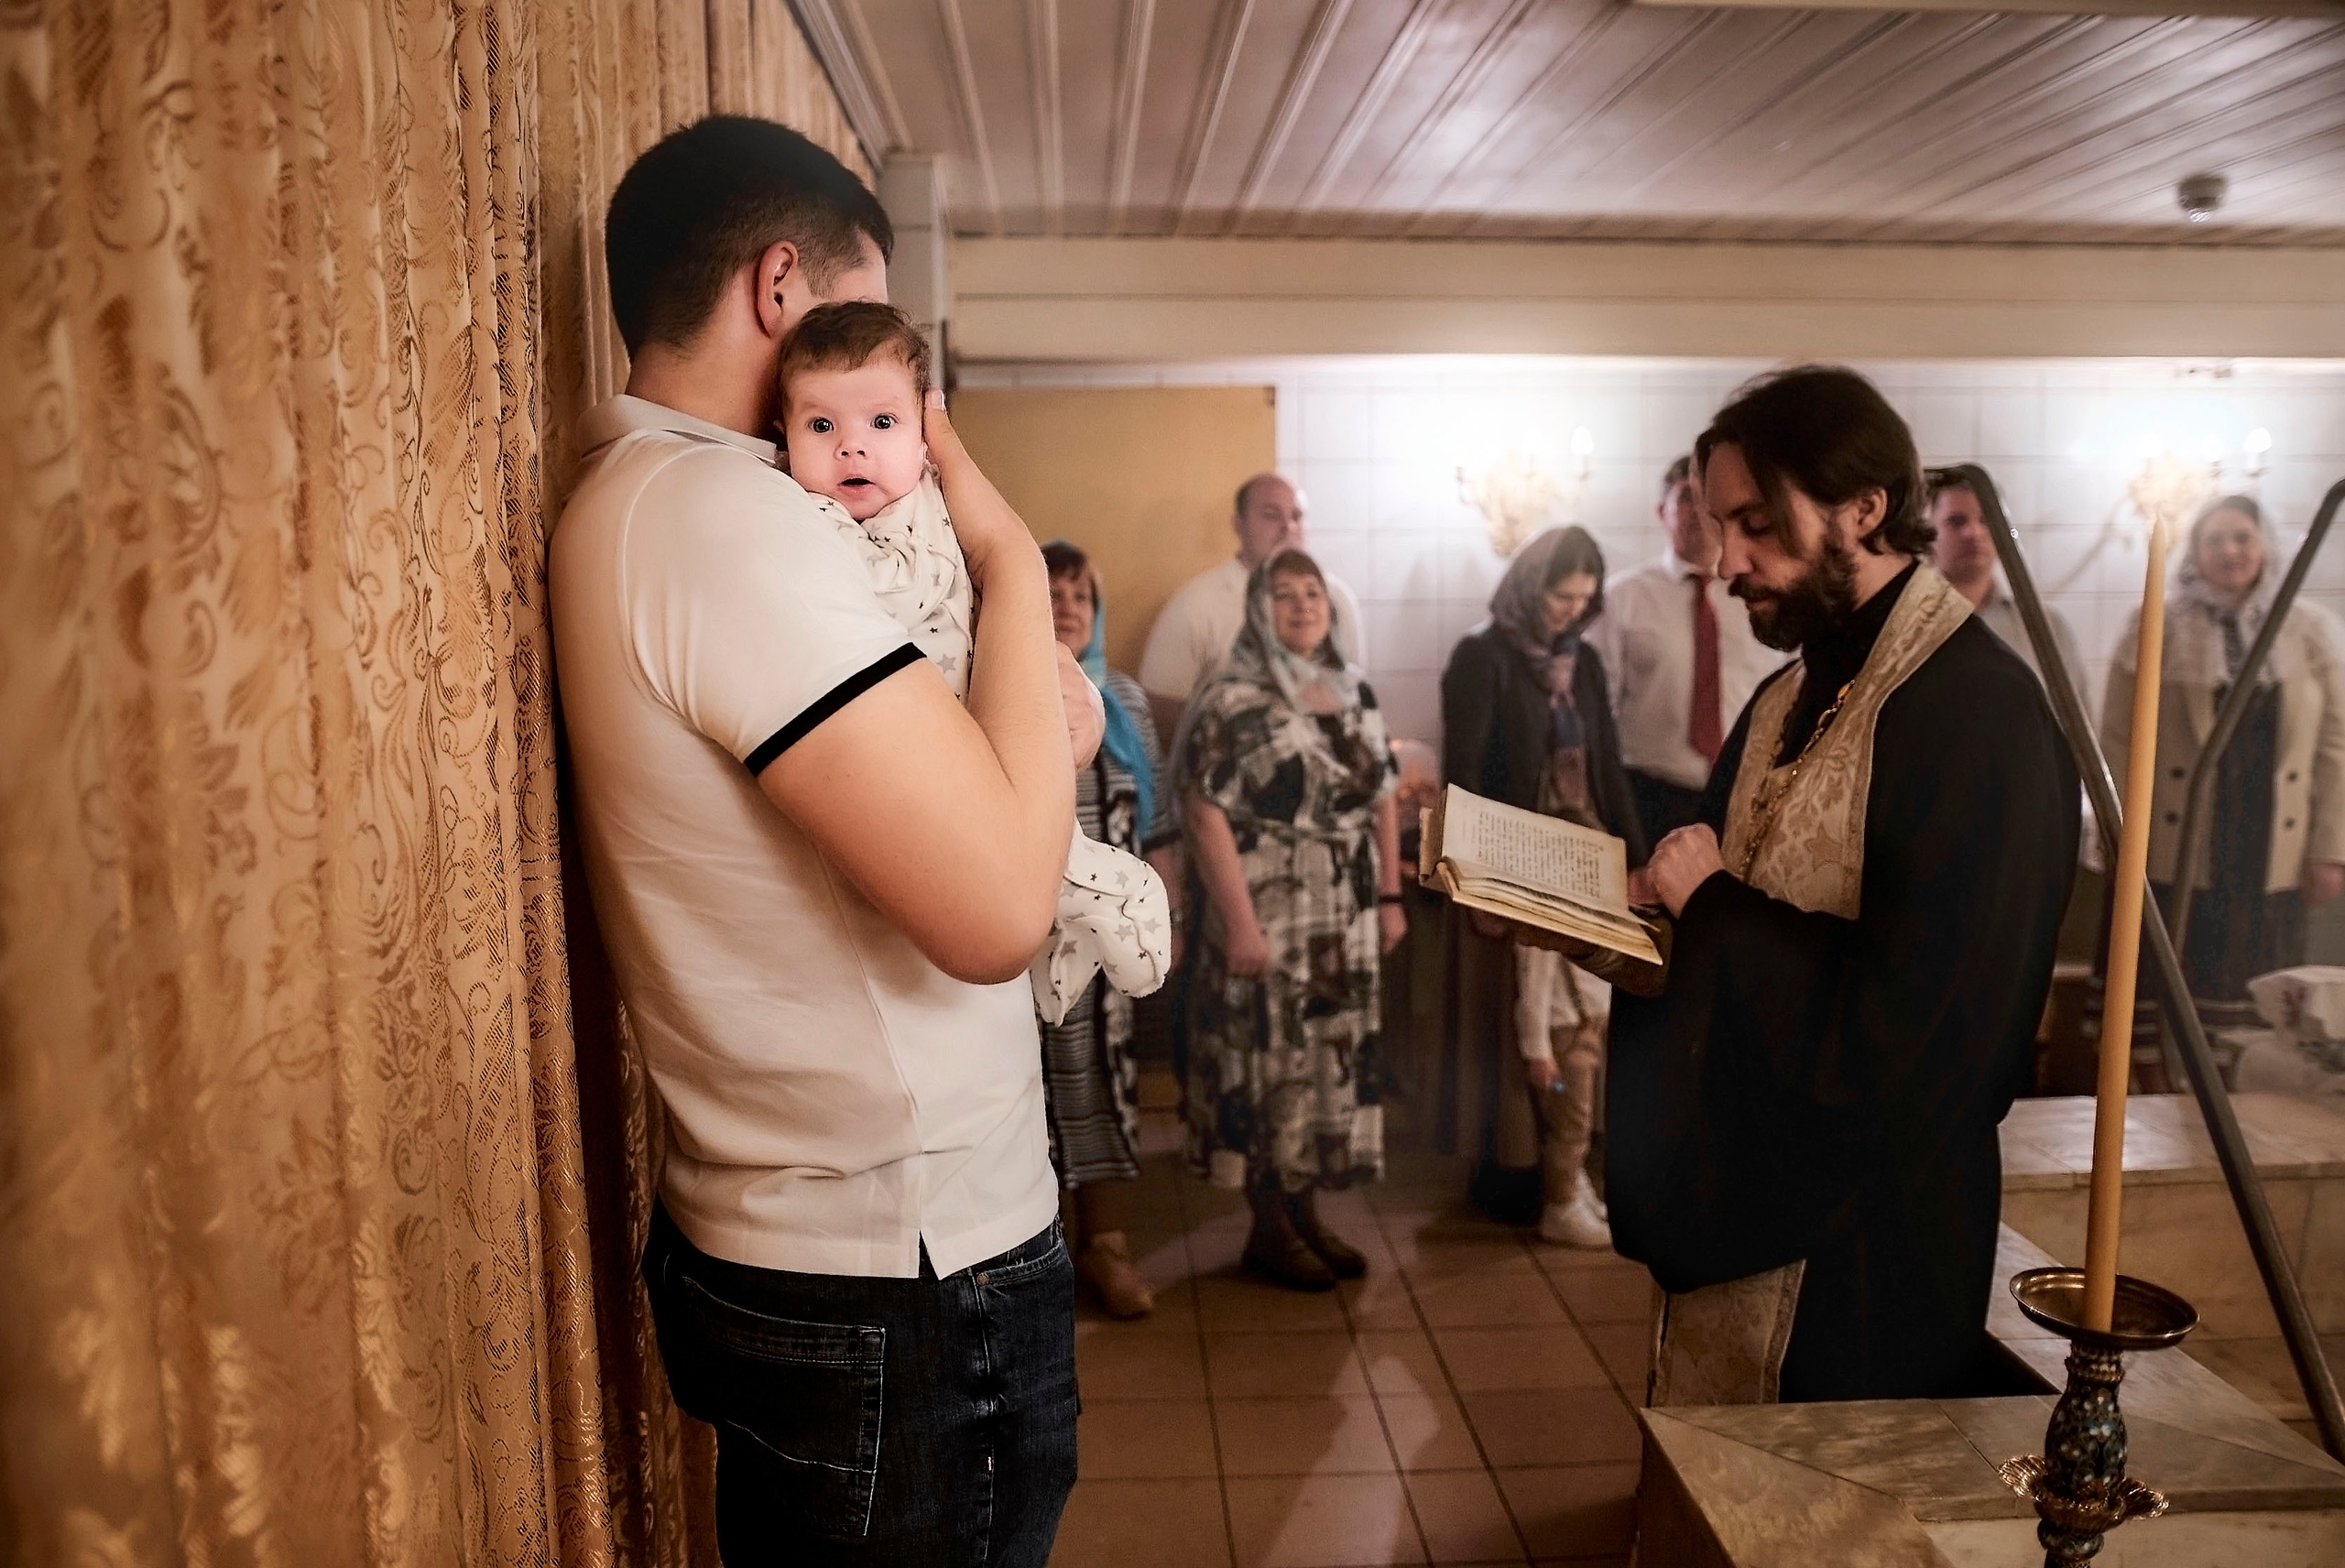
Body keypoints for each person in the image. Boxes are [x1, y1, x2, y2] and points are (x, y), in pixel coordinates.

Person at [551, 116, 1088, 1564]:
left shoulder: (662, 503)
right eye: (869, 319)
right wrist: (1011, 557)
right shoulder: (728, 519)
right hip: (904, 1268)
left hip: (823, 1245)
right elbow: (997, 905)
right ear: (783, 289)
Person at [1605, 365, 2079, 1407]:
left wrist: (1715, 908)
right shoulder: (1789, 691)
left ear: (1865, 507)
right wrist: (1598, 927)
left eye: (1756, 524)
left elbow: (1937, 1032)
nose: (1727, 562)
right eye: (1719, 526)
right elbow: (1705, 910)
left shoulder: (1978, 715)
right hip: (1749, 1198)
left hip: (1868, 1247)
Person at [775, 300, 1170, 1022]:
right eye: (821, 427)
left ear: (926, 438)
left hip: (980, 712)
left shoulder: (921, 509)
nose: (852, 449)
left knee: (1056, 861)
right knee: (1033, 866)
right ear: (783, 433)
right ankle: (1068, 939)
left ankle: (1133, 900)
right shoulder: (812, 513)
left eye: (882, 423)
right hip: (946, 734)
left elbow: (916, 586)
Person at [1177, 550, 1404, 1290]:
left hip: (1345, 914)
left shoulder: (1353, 688)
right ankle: (1269, 1225)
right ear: (1256, 609)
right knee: (1268, 1059)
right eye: (1284, 594)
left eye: (1314, 592)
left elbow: (1384, 794)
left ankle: (1306, 1213)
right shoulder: (1231, 698)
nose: (1304, 605)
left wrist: (1391, 897)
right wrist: (1240, 924)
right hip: (1267, 908)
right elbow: (1202, 810)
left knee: (1325, 1061)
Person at [1439, 528, 1649, 1246]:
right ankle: (1522, 1179)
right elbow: (1464, 772)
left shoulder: (1581, 659)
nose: (1572, 611)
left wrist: (1637, 861)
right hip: (1514, 859)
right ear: (1532, 587)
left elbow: (1607, 762)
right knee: (1527, 1023)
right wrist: (1474, 884)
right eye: (1562, 597)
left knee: (1579, 1018)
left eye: (1584, 600)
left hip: (1581, 855)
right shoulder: (1482, 656)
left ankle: (1569, 1173)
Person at [2102, 495, 2345, 1000]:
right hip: (2176, 844)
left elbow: (2334, 748)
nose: (2229, 551)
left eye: (2242, 538)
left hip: (2272, 847)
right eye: (2214, 539)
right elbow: (2118, 740)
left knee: (2258, 1002)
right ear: (2194, 551)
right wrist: (2118, 838)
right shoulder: (2154, 624)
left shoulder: (2310, 630)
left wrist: (2329, 851)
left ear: (2265, 546)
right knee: (2166, 989)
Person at [1039, 539, 1184, 1319]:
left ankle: (1103, 1242)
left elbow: (1157, 818)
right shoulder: (999, 681)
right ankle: (1039, 1255)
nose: (1067, 606)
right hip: (1025, 928)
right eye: (1052, 591)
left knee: (1103, 1077)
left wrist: (1170, 914)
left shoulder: (1122, 697)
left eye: (1080, 595)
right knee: (1031, 1083)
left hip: (1111, 933)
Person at [1586, 457, 1784, 845]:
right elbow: (1596, 707)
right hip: (1647, 795)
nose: (1699, 511)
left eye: (1708, 500)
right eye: (1686, 498)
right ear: (1663, 512)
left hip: (1744, 793)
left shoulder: (1759, 595)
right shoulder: (1622, 597)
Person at [1139, 474, 1367, 746]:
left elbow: (1351, 689)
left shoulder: (1336, 600)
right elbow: (1159, 709)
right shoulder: (1195, 605)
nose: (1288, 527)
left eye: (1297, 516)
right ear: (1239, 524)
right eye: (1271, 515)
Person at [1927, 467, 2086, 695]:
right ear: (1929, 533)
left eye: (1986, 520)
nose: (1974, 532)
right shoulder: (1903, 623)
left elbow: (2073, 715)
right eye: (1956, 521)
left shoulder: (2048, 630)